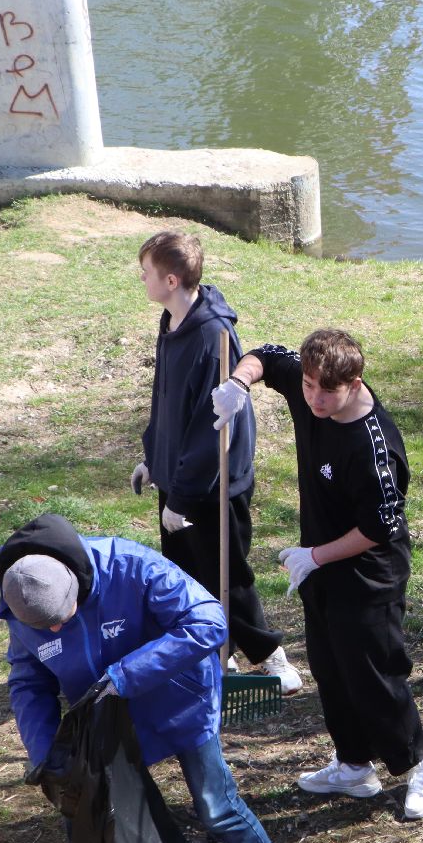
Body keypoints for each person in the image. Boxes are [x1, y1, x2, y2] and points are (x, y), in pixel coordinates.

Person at [0, 512, 296, 843]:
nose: (55, 629)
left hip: (178, 698)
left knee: (216, 807)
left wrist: (126, 675)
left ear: (77, 584)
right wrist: (45, 753)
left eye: (61, 618)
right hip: (102, 712)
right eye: (46, 628)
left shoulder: (131, 566)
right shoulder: (21, 595)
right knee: (82, 800)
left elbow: (209, 621)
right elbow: (28, 679)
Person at [210, 329, 423, 820]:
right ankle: (354, 765)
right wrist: (238, 382)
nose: (314, 397)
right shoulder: (309, 384)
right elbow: (268, 356)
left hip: (367, 573)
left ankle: (421, 761)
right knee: (330, 667)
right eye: (310, 385)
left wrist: (315, 556)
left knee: (373, 673)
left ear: (354, 383)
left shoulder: (374, 447)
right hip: (319, 565)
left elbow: (381, 527)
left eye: (326, 390)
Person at [133, 231, 300, 694]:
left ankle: (272, 658)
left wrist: (182, 497)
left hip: (212, 483)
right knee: (184, 574)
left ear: (171, 278)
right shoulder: (171, 322)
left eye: (146, 272)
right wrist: (154, 458)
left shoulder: (212, 337)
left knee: (226, 573)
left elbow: (212, 430)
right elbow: (166, 403)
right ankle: (202, 654)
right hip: (179, 475)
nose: (141, 279)